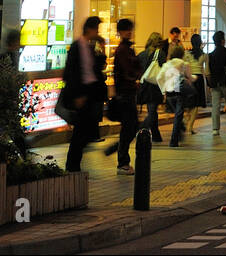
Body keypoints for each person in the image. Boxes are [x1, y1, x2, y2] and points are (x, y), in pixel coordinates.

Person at [60, 17, 104, 172]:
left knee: (85, 132)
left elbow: (97, 68)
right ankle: (72, 166)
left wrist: (102, 47)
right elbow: (71, 73)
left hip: (90, 95)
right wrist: (77, 96)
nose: (97, 32)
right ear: (90, 29)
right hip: (81, 96)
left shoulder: (90, 47)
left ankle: (74, 164)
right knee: (80, 132)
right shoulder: (77, 46)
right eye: (96, 29)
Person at [103, 18, 138, 173]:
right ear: (120, 32)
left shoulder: (128, 48)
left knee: (130, 127)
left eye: (130, 29)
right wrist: (135, 75)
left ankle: (119, 154)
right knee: (130, 127)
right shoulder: (123, 50)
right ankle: (122, 161)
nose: (129, 32)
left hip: (128, 93)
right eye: (126, 29)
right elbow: (128, 71)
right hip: (125, 94)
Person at [158, 42, 196, 147]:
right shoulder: (184, 64)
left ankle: (179, 131)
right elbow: (190, 77)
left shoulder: (166, 64)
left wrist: (163, 90)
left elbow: (159, 78)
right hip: (179, 92)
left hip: (169, 93)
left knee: (177, 115)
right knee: (178, 116)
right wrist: (195, 78)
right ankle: (173, 140)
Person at [135, 31, 165, 141]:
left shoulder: (142, 54)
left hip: (144, 85)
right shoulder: (160, 53)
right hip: (154, 86)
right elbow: (162, 70)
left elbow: (136, 67)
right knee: (152, 111)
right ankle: (139, 128)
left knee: (151, 110)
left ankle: (156, 135)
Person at [182, 33, 208, 135]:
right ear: (200, 42)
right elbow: (205, 70)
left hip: (189, 78)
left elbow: (183, 67)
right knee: (196, 104)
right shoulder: (204, 55)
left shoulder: (186, 54)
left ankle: (185, 121)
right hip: (199, 79)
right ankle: (190, 127)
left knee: (189, 103)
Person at [208, 31, 226, 136]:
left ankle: (215, 129)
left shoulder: (211, 55)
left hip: (214, 83)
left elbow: (209, 70)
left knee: (215, 106)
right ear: (223, 40)